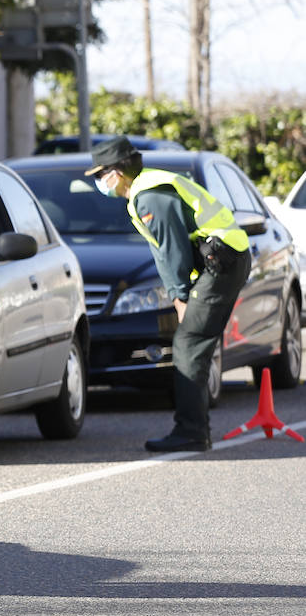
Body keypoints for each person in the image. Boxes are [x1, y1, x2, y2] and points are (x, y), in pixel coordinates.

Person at [87, 135, 251, 452]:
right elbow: (164, 252)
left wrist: (181, 296)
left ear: (115, 173)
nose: (98, 182)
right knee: (190, 342)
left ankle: (191, 432)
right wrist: (179, 295)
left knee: (189, 344)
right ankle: (193, 429)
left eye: (98, 175)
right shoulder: (144, 191)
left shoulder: (150, 196)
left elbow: (174, 249)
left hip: (222, 261)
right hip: (220, 261)